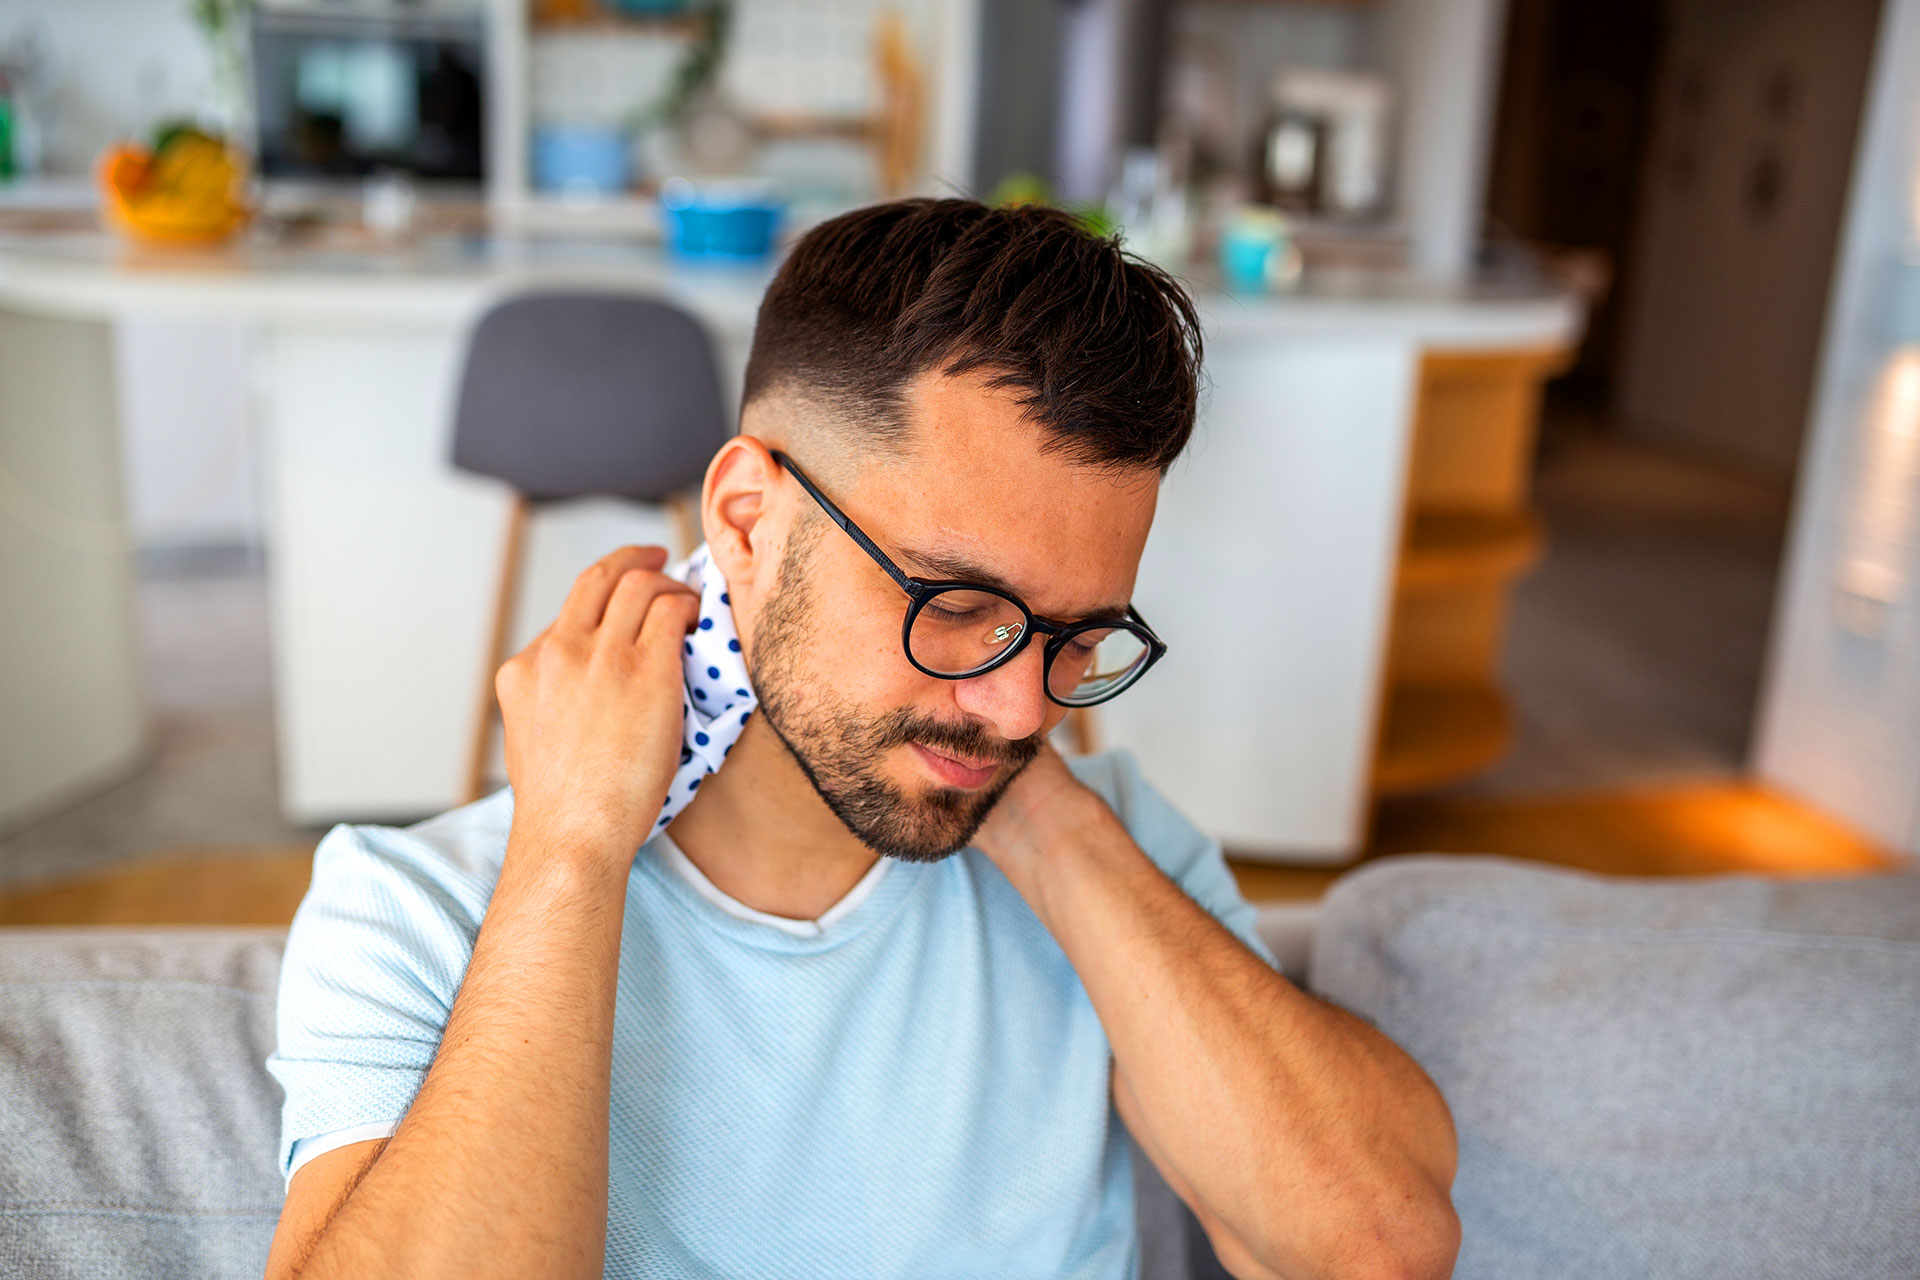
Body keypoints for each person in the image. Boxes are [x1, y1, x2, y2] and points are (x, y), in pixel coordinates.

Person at [262, 198, 1460, 1280]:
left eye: (1077, 638)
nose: (1028, 707)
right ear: (745, 521)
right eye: (956, 606)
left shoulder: (1112, 848)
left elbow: (1375, 1246)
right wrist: (571, 852)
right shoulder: (419, 907)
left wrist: (1043, 819)